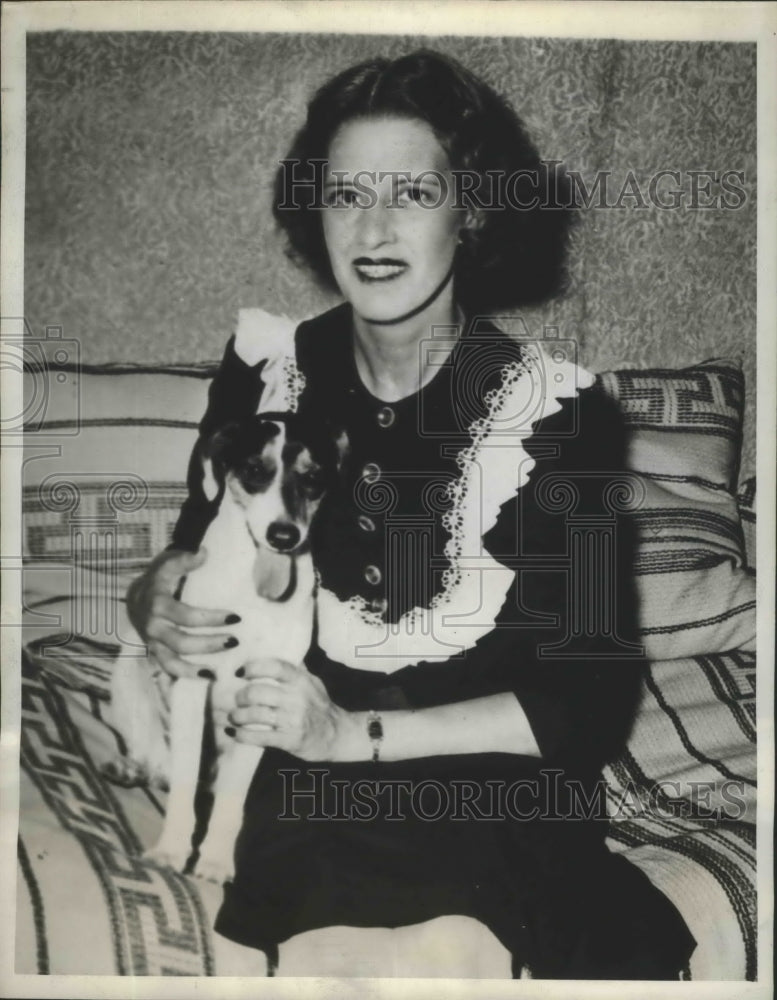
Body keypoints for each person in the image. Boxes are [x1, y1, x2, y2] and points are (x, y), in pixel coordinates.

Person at [127, 49, 696, 978]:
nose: (375, 226)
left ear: (470, 212)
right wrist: (151, 594)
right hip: (307, 786)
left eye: (412, 193)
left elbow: (588, 703)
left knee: (454, 948)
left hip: (489, 783)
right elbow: (198, 546)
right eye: (347, 193)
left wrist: (355, 738)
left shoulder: (557, 416)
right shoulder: (269, 371)